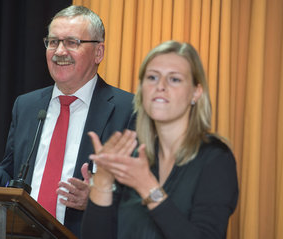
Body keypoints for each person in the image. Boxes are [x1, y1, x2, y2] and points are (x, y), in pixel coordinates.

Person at [0, 5, 134, 238]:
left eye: (72, 42)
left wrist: (99, 197)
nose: (59, 51)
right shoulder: (27, 106)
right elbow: (13, 182)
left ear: (98, 53)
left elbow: (141, 196)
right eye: (53, 42)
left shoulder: (128, 110)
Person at [82, 40, 239, 239]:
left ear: (196, 92)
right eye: (152, 77)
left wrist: (148, 186)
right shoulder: (131, 155)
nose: (160, 86)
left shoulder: (215, 158)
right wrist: (103, 181)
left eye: (174, 79)